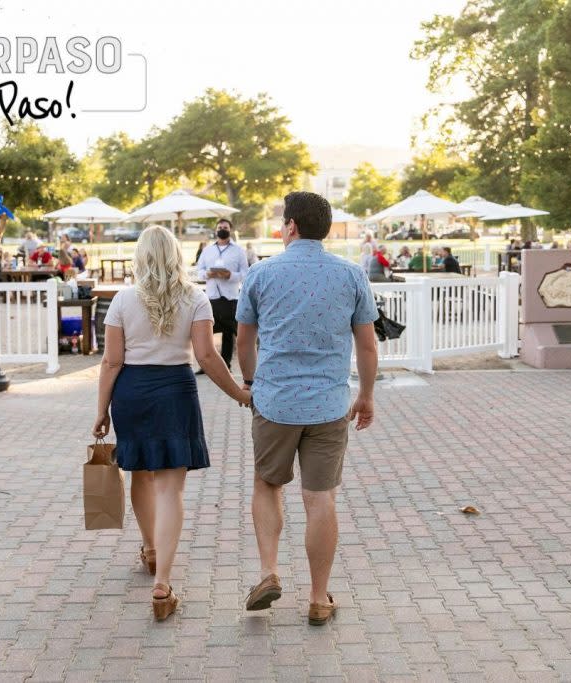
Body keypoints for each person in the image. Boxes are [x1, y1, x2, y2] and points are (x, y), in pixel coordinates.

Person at [92, 226, 250, 621]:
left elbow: (111, 361)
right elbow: (208, 358)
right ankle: (162, 582)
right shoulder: (195, 297)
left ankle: (149, 549)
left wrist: (101, 411)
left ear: (141, 257)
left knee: (142, 475)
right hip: (175, 392)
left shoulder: (123, 300)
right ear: (177, 256)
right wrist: (240, 395)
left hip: (132, 393)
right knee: (169, 489)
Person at [235, 191, 378, 626]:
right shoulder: (351, 275)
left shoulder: (260, 273)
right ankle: (318, 598)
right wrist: (366, 395)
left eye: (282, 221)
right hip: (329, 405)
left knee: (267, 485)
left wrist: (252, 382)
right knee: (320, 499)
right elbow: (367, 344)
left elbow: (243, 340)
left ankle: (268, 572)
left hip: (275, 402)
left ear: (292, 225)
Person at [195, 218, 248, 372]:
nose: (222, 229)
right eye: (219, 227)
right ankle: (206, 365)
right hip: (211, 297)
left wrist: (230, 275)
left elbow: (245, 274)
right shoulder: (207, 250)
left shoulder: (238, 251)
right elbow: (199, 272)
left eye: (225, 227)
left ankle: (226, 365)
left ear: (230, 230)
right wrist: (208, 274)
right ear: (216, 230)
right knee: (207, 331)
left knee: (229, 332)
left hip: (230, 297)